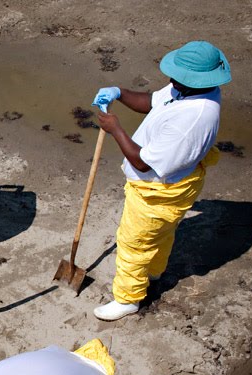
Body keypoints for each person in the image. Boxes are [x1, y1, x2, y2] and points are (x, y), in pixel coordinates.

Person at [90, 40, 231, 321]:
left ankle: (127, 299)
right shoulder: (189, 88)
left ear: (196, 81)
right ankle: (154, 271)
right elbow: (152, 101)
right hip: (170, 184)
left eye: (178, 78)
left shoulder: (194, 118)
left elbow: (142, 161)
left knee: (134, 241)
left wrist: (115, 129)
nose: (171, 81)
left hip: (158, 191)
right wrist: (119, 92)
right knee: (161, 233)